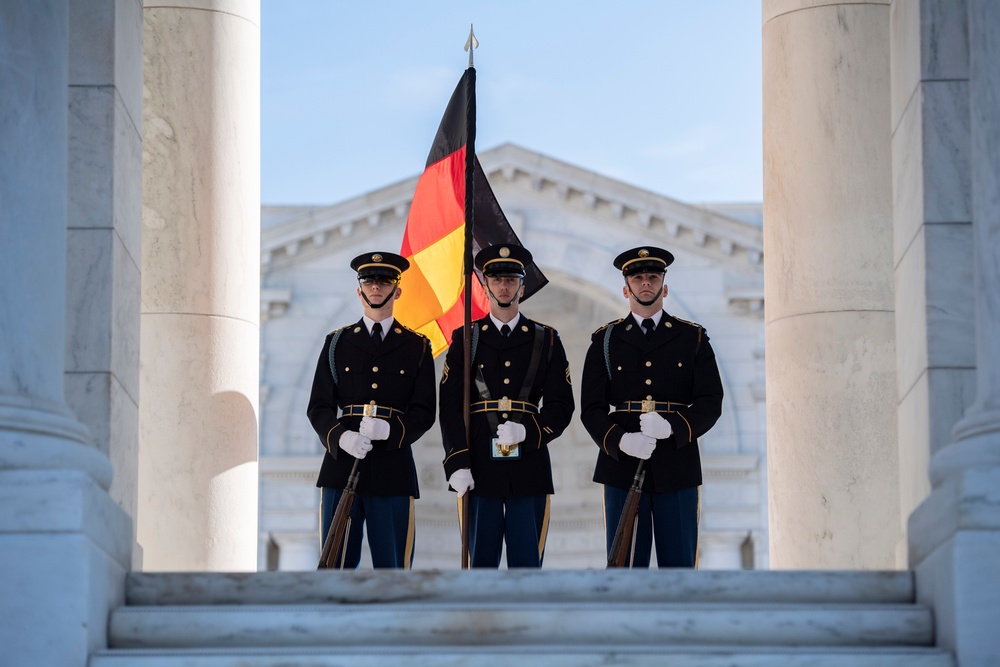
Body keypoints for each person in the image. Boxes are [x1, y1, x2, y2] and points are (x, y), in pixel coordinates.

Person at [581, 246, 723, 568]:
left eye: (653, 277)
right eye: (638, 277)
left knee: (680, 566)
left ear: (665, 286)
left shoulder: (692, 338)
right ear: (625, 287)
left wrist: (673, 427)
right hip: (622, 465)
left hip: (677, 462)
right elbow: (591, 408)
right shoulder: (606, 340)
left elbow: (710, 401)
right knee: (625, 568)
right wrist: (621, 440)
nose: (646, 283)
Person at [440, 244, 575, 568]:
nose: (504, 286)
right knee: (480, 568)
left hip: (529, 467)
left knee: (527, 566)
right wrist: (456, 462)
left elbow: (561, 405)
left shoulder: (547, 339)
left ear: (522, 287)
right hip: (478, 468)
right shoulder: (465, 339)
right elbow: (449, 407)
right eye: (497, 280)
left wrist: (529, 431)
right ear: (484, 286)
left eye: (511, 280)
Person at [307, 251, 436, 568]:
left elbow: (424, 411)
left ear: (397, 290)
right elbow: (319, 407)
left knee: (393, 570)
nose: (375, 286)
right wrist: (341, 438)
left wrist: (391, 430)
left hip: (393, 471)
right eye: (368, 280)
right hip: (342, 468)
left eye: (384, 280)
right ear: (359, 290)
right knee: (336, 567)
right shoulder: (336, 343)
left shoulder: (417, 346)